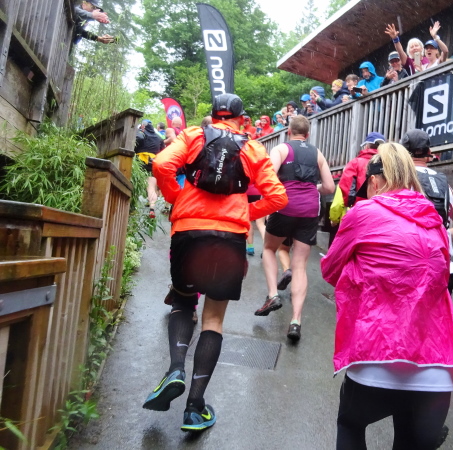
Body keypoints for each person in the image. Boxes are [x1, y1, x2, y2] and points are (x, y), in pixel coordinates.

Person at [144, 93, 287, 432]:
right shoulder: (253, 148)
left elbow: (161, 165)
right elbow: (278, 196)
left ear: (213, 115)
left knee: (183, 302)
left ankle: (175, 370)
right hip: (229, 237)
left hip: (189, 230)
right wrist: (245, 212)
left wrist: (175, 196)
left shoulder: (194, 135)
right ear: (241, 118)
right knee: (213, 318)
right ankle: (195, 408)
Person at [321, 143, 453, 449]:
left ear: (374, 181)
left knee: (350, 425)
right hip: (435, 369)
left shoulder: (363, 212)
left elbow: (330, 269)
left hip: (375, 358)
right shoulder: (435, 220)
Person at [255, 115, 335, 342]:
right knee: (299, 266)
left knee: (269, 248)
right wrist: (312, 188)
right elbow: (329, 187)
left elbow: (268, 178)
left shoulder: (281, 149)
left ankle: (273, 295)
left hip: (285, 206)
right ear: (307, 134)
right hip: (310, 209)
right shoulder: (317, 153)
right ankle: (296, 321)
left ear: (289, 132)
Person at [399, 129, 453, 291]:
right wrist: (441, 233)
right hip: (443, 272)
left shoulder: (399, 181)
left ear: (402, 154)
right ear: (429, 153)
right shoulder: (444, 185)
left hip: (410, 269)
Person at [338, 132, 385, 207]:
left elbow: (347, 185)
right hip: (383, 206)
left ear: (366, 146)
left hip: (360, 206)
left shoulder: (355, 163)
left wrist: (349, 203)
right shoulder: (387, 164)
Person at [135, 119, 165, 218]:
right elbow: (163, 151)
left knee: (134, 183)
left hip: (140, 163)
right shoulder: (158, 137)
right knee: (151, 187)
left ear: (143, 126)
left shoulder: (141, 134)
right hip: (153, 163)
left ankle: (132, 206)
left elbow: (135, 144)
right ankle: (152, 208)